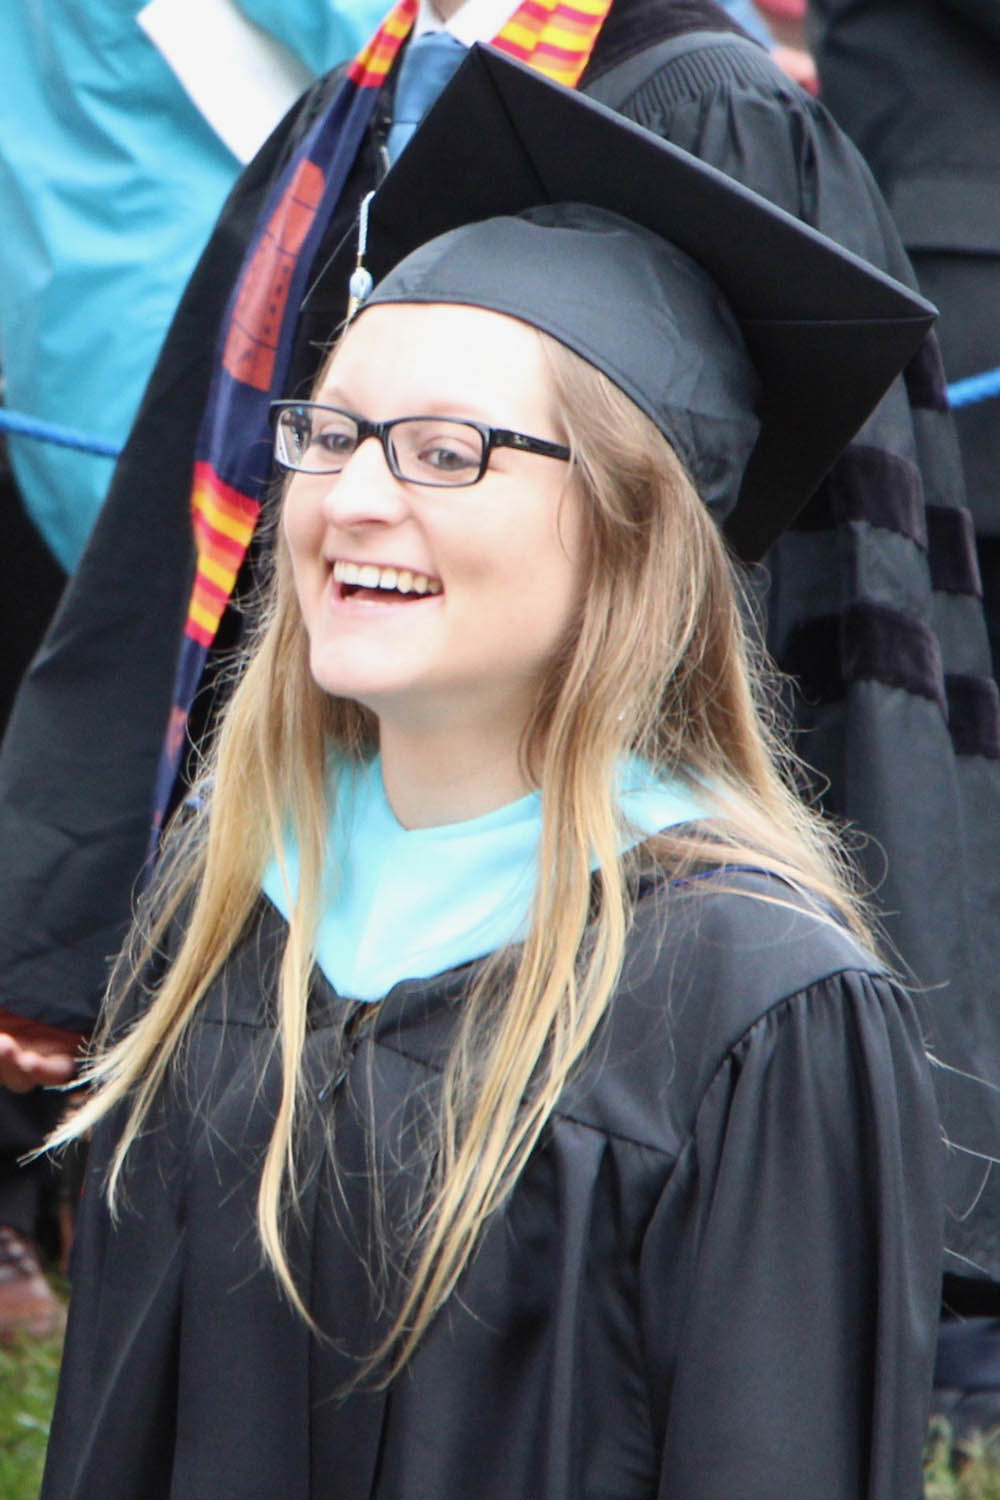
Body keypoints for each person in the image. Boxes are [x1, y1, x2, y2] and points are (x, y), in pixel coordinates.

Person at [36, 57, 943, 1499]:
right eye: (329, 433)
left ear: (630, 533)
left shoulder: (744, 1004)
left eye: (446, 450)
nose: (356, 496)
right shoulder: (223, 910)